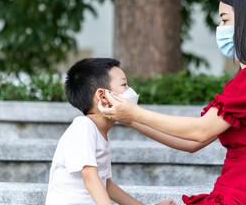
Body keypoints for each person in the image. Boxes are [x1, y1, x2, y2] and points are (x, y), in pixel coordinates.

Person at [98, 0, 246, 205]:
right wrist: (129, 119)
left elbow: (200, 132)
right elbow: (192, 144)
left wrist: (135, 114)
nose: (221, 29)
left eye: (225, 20)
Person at [46, 58, 176, 205]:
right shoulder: (84, 127)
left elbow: (106, 185)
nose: (130, 91)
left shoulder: (99, 132)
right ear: (102, 96)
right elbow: (90, 178)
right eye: (124, 85)